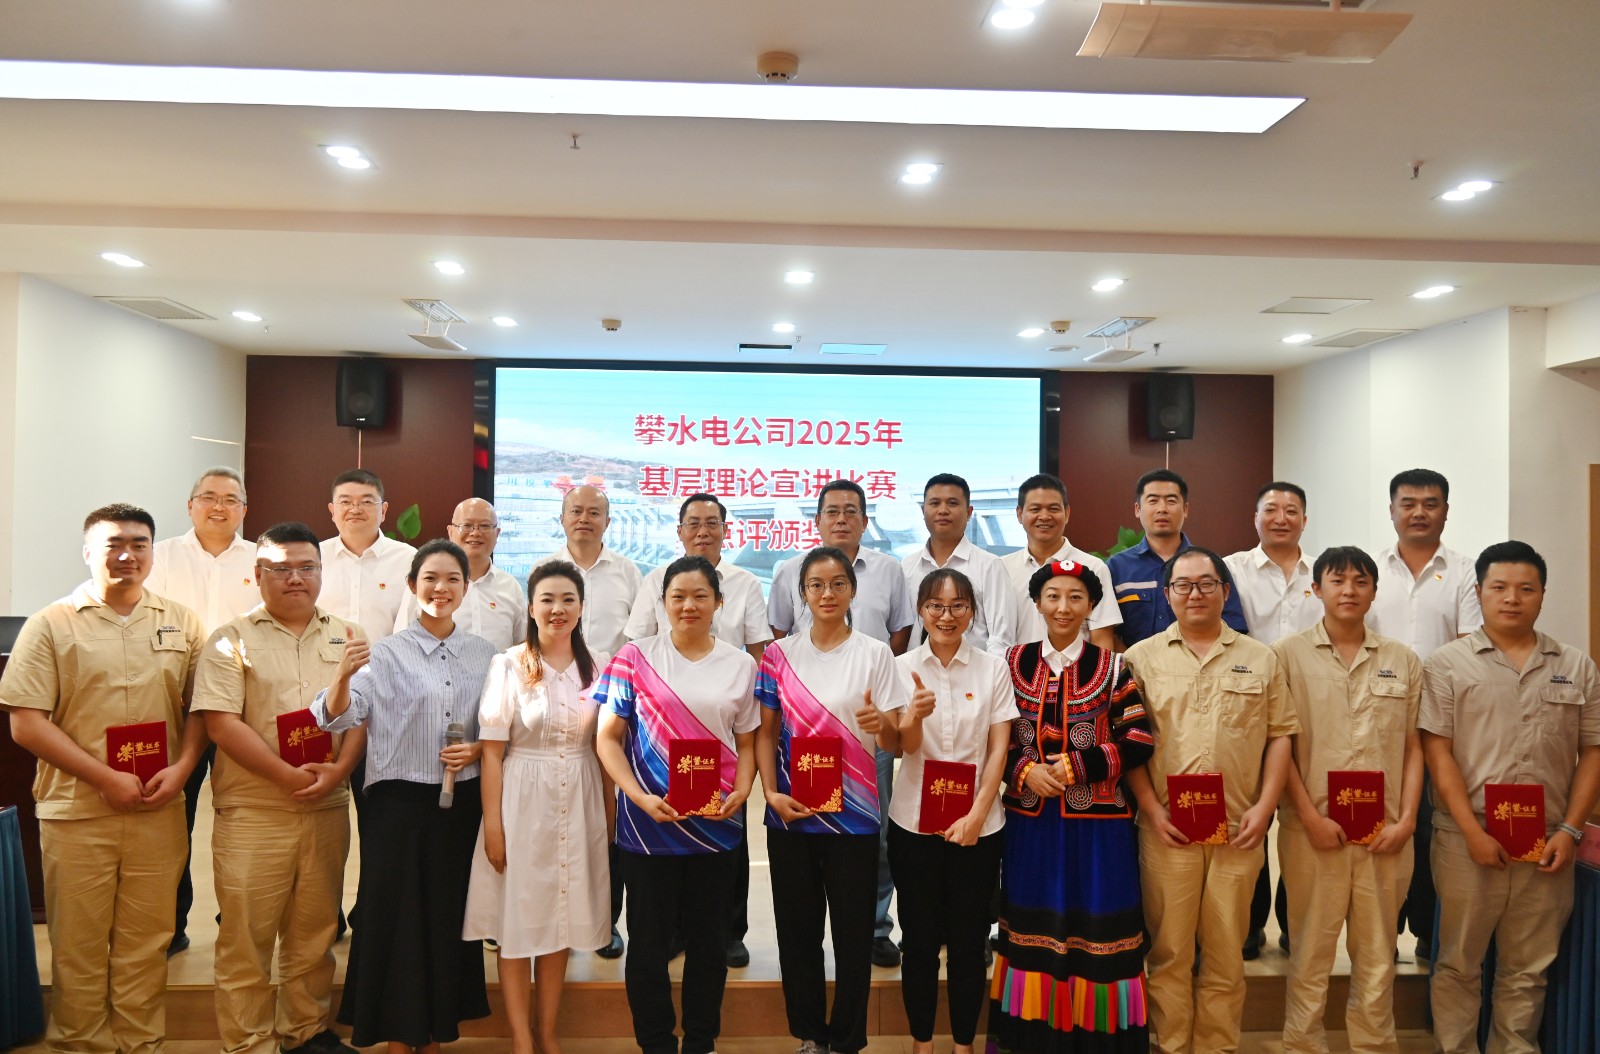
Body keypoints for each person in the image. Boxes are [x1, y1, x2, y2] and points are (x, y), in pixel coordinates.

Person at [1, 503, 207, 1054]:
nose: (127, 555)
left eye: (139, 544)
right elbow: (25, 723)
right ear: (89, 551)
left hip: (157, 809)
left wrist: (184, 769)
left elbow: (201, 710)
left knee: (148, 941)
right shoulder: (51, 624)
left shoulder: (183, 622)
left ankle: (141, 1044)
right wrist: (104, 777)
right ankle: (80, 1043)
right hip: (77, 811)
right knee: (79, 944)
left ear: (152, 553)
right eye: (114, 544)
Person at [312, 539, 497, 1054]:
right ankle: (397, 1034)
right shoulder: (385, 652)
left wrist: (478, 748)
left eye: (453, 579)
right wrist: (341, 676)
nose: (441, 588)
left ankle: (435, 1032)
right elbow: (336, 716)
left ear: (466, 588)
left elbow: (501, 727)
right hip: (397, 807)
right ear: (412, 586)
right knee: (395, 919)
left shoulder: (487, 655)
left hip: (461, 806)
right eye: (430, 578)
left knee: (446, 916)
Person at [1419, 540, 1600, 1053]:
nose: (1512, 598)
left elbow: (1593, 751)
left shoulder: (1576, 665)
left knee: (1528, 969)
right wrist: (1472, 832)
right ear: (1479, 592)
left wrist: (1571, 830)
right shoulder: (1446, 664)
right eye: (1499, 587)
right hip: (1466, 838)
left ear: (1543, 594)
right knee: (1459, 963)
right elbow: (1437, 754)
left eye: (1526, 589)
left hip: (1548, 840)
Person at [192, 521, 366, 1054]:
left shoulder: (348, 634)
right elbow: (222, 724)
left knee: (315, 930)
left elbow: (362, 715)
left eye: (306, 567)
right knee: (246, 935)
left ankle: (305, 1030)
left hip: (326, 805)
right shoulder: (230, 639)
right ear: (258, 575)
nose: (295, 578)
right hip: (256, 810)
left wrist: (340, 770)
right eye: (281, 569)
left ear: (321, 572)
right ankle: (248, 1041)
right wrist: (284, 774)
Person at [1123, 548, 1296, 1054]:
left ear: (1225, 591)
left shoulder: (1261, 658)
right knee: (1170, 952)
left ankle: (1217, 1046)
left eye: (1206, 583)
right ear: (1168, 594)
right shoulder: (1141, 659)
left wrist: (1265, 808)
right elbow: (1129, 745)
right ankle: (1173, 1045)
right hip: (1166, 830)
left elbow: (1281, 735)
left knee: (1225, 953)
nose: (1195, 593)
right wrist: (1151, 810)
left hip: (1239, 829)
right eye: (1183, 585)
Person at [594, 555, 758, 1054]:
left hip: (716, 826)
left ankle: (701, 1040)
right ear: (662, 603)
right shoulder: (633, 658)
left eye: (700, 596)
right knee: (648, 944)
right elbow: (607, 739)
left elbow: (748, 741)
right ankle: (656, 1042)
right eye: (678, 596)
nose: (689, 605)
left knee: (709, 944)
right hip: (647, 827)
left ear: (719, 603)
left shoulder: (740, 665)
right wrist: (638, 797)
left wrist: (743, 789)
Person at [989, 559, 1154, 1054]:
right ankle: (1030, 1040)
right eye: (1053, 596)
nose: (1064, 607)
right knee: (1032, 926)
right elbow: (992, 739)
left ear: (1091, 606)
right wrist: (1024, 771)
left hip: (1100, 831)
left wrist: (1076, 767)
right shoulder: (1010, 664)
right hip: (1031, 826)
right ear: (1037, 603)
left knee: (1099, 924)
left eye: (1076, 597)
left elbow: (1139, 740)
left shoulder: (1114, 667)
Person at [756, 546, 908, 1054]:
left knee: (852, 933)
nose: (827, 593)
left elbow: (894, 742)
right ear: (802, 593)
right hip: (792, 814)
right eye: (816, 585)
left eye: (838, 583)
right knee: (797, 931)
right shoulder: (778, 656)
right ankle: (809, 1034)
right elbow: (764, 733)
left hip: (855, 818)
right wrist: (771, 793)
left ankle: (846, 1038)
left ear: (853, 590)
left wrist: (881, 723)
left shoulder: (875, 653)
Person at [1272, 546, 1423, 1054]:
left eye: (1361, 581)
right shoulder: (1286, 656)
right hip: (1313, 832)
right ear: (1316, 589)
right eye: (1337, 581)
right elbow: (1279, 746)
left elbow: (1414, 747)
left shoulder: (1402, 660)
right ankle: (1303, 1045)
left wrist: (1407, 822)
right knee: (1310, 953)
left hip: (1386, 834)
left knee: (1378, 955)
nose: (1349, 590)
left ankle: (1374, 1046)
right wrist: (1309, 817)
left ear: (1374, 591)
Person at [462, 561, 610, 1054]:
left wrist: (609, 815)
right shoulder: (509, 664)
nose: (557, 609)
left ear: (582, 607)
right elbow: (491, 752)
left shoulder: (600, 665)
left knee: (560, 919)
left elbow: (607, 746)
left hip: (581, 797)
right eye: (547, 599)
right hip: (522, 802)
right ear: (530, 607)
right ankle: (522, 1039)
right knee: (517, 921)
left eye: (568, 599)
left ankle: (548, 1033)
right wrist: (494, 827)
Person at [768, 478, 915, 967]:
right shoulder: (788, 570)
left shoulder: (889, 570)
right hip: (804, 729)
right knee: (806, 838)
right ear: (816, 520)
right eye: (832, 511)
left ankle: (873, 927)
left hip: (865, 721)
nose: (841, 519)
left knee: (871, 835)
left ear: (865, 520)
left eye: (851, 511)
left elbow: (900, 633)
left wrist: (867, 689)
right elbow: (780, 633)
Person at [625, 492, 771, 967]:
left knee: (725, 836)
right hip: (667, 725)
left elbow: (758, 651)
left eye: (712, 522)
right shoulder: (655, 579)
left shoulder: (746, 582)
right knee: (668, 834)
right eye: (693, 523)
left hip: (722, 726)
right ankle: (675, 932)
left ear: (726, 530)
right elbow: (639, 643)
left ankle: (727, 932)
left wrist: (747, 708)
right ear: (680, 531)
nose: (703, 531)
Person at [888, 569, 1015, 1054]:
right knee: (919, 942)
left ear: (972, 612)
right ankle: (921, 1043)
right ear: (921, 610)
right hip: (913, 824)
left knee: (968, 943)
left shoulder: (992, 669)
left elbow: (999, 748)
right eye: (936, 606)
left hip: (980, 827)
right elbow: (902, 748)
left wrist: (978, 815)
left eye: (958, 605)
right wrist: (913, 717)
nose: (946, 616)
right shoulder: (899, 666)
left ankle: (964, 1044)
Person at [146, 466, 262, 956]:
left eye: (230, 499)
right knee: (175, 816)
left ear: (244, 509)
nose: (219, 507)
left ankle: (239, 921)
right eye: (209, 497)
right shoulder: (161, 557)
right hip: (177, 705)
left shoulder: (262, 559)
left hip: (245, 710)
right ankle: (170, 926)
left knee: (244, 817)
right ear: (190, 505)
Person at [1369, 468, 1483, 959]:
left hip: (1444, 723)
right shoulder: (1370, 569)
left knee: (1433, 827)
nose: (1419, 512)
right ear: (1391, 510)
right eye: (1408, 503)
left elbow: (1469, 645)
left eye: (1430, 503)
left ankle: (1427, 933)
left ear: (1446, 511)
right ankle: (1382, 936)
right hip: (1377, 720)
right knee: (1381, 822)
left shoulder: (1466, 572)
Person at [533, 484, 644, 959]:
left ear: (608, 521)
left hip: (617, 708)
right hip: (555, 704)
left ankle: (606, 920)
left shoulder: (629, 572)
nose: (584, 518)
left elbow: (640, 638)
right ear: (562, 518)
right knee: (559, 811)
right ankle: (552, 916)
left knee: (610, 815)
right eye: (575, 510)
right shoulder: (544, 570)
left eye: (594, 512)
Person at [1224, 481, 1320, 960]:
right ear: (1255, 517)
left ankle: (1294, 921)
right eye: (1271, 509)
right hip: (1246, 710)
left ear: (1305, 519)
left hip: (1312, 710)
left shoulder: (1322, 574)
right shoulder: (1231, 569)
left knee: (1304, 819)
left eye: (1291, 510)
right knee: (1251, 814)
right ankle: (1249, 924)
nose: (1281, 518)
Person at [1108, 469, 1247, 648]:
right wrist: (1130, 663)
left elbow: (1232, 628)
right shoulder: (1116, 567)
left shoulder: (1211, 564)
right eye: (1153, 500)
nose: (1162, 509)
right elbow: (1105, 633)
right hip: (1133, 664)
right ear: (1138, 509)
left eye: (1171, 501)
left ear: (1185, 509)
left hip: (1202, 663)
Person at [900, 473, 1017, 659]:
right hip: (917, 672)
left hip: (975, 673)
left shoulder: (989, 566)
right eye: (935, 503)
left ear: (969, 512)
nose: (943, 510)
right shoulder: (906, 567)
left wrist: (990, 674)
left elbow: (1001, 637)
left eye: (952, 503)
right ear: (923, 511)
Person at [999, 473, 1120, 650]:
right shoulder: (1001, 568)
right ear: (1019, 514)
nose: (1044, 516)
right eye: (1035, 509)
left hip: (1078, 668)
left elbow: (1102, 639)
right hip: (1014, 667)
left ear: (1067, 513)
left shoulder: (1093, 568)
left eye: (1053, 509)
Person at [394, 498, 526, 651]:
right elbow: (400, 642)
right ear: (450, 532)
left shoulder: (510, 586)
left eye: (485, 526)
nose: (475, 533)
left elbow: (522, 646)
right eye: (466, 526)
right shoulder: (426, 585)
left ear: (497, 534)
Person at [319, 469, 417, 643]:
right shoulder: (315, 558)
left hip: (388, 660)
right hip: (324, 660)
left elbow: (416, 623)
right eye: (345, 502)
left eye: (366, 501)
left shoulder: (409, 560)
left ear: (383, 510)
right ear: (332, 510)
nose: (355, 509)